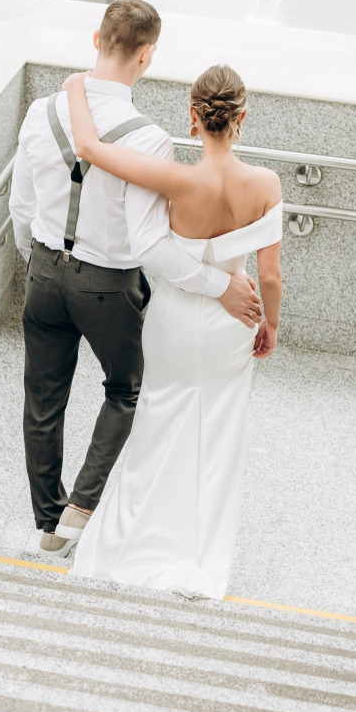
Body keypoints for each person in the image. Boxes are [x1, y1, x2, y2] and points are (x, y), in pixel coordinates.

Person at [9, 0, 263, 557]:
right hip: (108, 285)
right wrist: (220, 286)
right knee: (127, 388)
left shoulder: (40, 112)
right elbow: (149, 244)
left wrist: (39, 261)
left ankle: (47, 520)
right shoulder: (148, 139)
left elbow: (21, 207)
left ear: (96, 38)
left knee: (42, 398)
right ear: (147, 55)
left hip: (45, 273)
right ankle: (81, 508)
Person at [62, 63, 283, 600]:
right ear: (241, 118)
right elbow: (271, 276)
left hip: (174, 323)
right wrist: (269, 325)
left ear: (193, 117)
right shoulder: (266, 184)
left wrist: (75, 87)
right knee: (218, 438)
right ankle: (201, 549)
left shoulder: (175, 179)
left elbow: (89, 147)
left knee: (157, 424)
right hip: (236, 321)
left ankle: (127, 537)